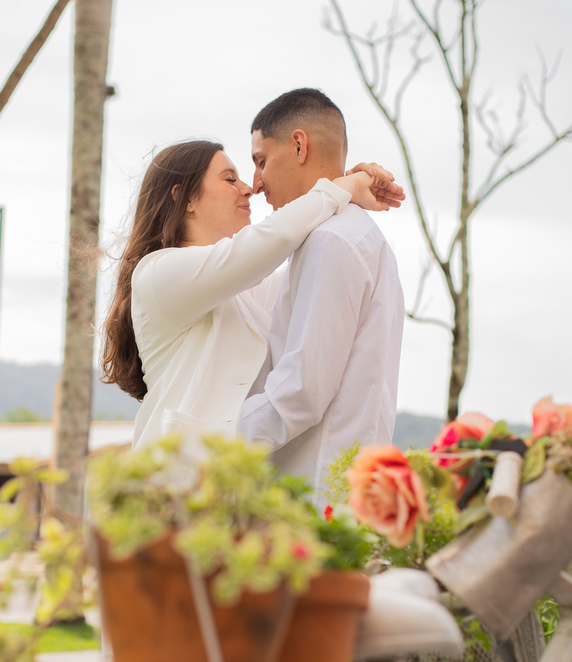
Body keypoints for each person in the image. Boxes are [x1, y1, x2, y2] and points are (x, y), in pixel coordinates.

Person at [100, 139, 402, 448]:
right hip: (172, 472)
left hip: (225, 471)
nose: (248, 189)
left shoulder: (241, 294)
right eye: (230, 179)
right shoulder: (158, 273)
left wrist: (347, 199)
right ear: (185, 198)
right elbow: (273, 238)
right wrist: (345, 187)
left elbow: (311, 272)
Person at [237, 88, 405, 503]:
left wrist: (212, 442)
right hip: (340, 489)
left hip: (316, 495)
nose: (256, 184)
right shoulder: (354, 237)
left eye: (261, 161)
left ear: (299, 145)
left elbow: (300, 391)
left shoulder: (331, 241)